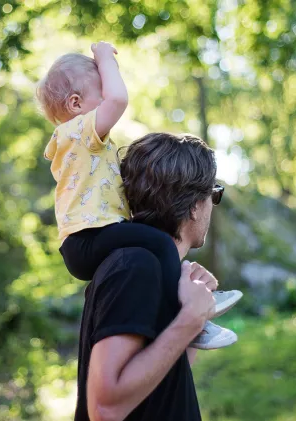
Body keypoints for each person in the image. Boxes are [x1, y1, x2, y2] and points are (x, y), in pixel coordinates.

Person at [37, 41, 241, 349]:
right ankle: (188, 314)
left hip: (87, 239)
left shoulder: (82, 145)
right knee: (160, 243)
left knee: (154, 244)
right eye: (101, 91)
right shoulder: (79, 133)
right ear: (76, 103)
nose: (108, 97)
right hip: (88, 238)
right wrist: (105, 58)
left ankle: (192, 313)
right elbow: (119, 99)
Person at [75, 132, 225, 420]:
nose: (212, 205)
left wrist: (191, 313)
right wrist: (189, 319)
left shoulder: (151, 266)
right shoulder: (135, 266)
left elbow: (161, 383)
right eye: (214, 194)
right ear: (195, 206)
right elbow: (105, 409)